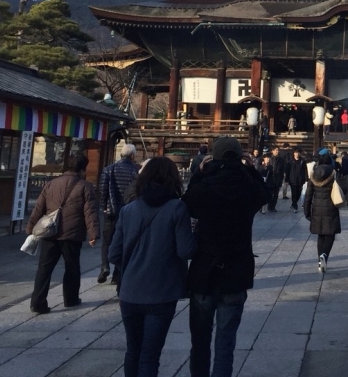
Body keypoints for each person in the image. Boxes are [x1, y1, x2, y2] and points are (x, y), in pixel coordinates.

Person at [184, 136, 267, 377]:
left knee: (200, 341)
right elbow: (264, 194)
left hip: (204, 271)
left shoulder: (205, 186)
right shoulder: (248, 187)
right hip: (235, 270)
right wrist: (252, 170)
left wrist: (199, 173)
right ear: (239, 156)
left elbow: (188, 201)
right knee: (225, 342)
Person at [109, 157, 195, 377]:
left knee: (133, 351)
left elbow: (113, 253)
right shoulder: (177, 208)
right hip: (162, 291)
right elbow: (186, 250)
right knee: (150, 355)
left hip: (130, 291)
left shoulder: (128, 210)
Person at [26, 154, 99, 314]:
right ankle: (71, 299)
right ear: (82, 169)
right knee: (72, 267)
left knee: (44, 268)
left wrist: (31, 226)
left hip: (50, 232)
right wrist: (93, 234)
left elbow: (39, 207)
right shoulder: (85, 186)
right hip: (72, 234)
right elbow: (90, 212)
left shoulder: (51, 184)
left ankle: (37, 302)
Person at [98, 143, 141, 284]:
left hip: (111, 210)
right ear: (133, 155)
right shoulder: (137, 171)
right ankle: (117, 274)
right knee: (123, 241)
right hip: (128, 211)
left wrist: (104, 206)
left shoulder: (109, 170)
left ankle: (104, 266)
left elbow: (103, 189)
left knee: (107, 241)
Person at [304, 152, 341, 273]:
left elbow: (308, 195)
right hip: (330, 207)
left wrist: (307, 211)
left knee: (320, 235)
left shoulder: (313, 174)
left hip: (317, 208)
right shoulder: (334, 173)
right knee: (330, 234)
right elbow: (341, 189)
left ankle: (320, 262)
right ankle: (324, 256)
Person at [287, 149, 307, 213]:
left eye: (298, 153)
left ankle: (293, 203)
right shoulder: (290, 161)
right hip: (292, 179)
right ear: (293, 153)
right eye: (295, 153)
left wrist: (306, 179)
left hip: (300, 179)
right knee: (294, 193)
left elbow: (305, 170)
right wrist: (287, 179)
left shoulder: (302, 161)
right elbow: (287, 171)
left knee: (298, 193)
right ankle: (295, 206)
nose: (297, 154)